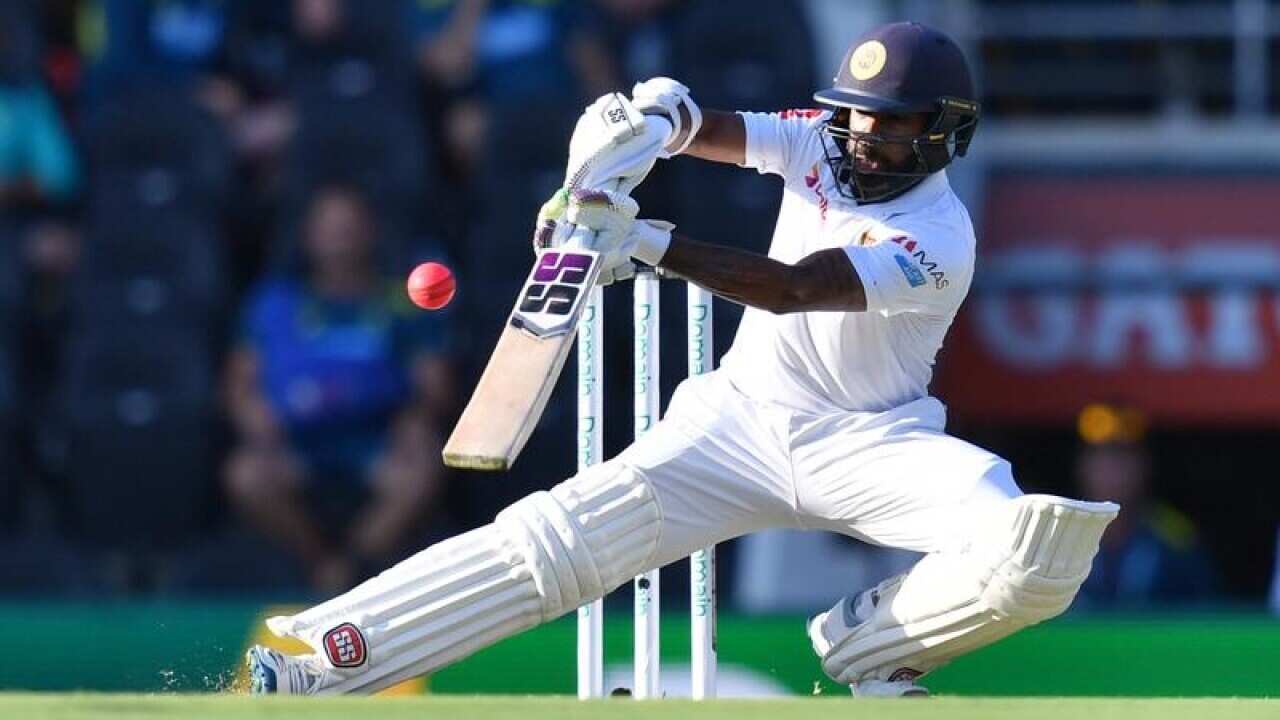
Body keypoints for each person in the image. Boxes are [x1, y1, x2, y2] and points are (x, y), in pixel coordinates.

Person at [246, 22, 1119, 698]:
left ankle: (869, 647)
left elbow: (791, 287)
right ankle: (321, 654)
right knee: (553, 544)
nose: (860, 141)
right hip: (734, 425)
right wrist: (651, 124)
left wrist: (649, 242)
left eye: (889, 130)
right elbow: (715, 128)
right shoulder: (822, 141)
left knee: (1032, 547)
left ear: (940, 137)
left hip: (871, 443)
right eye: (853, 119)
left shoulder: (939, 238)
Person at [223, 184, 454, 593]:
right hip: (297, 442)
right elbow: (239, 381)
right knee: (245, 476)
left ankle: (353, 566)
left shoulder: (401, 301)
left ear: (370, 232)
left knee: (419, 472)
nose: (339, 238)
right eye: (329, 228)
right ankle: (319, 564)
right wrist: (252, 415)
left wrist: (416, 419)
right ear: (309, 235)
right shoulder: (275, 302)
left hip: (375, 440)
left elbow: (434, 383)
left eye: (349, 227)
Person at [1072, 404, 1217, 608]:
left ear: (1144, 465)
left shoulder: (1177, 541)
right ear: (1082, 465)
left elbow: (1205, 616)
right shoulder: (1054, 537)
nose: (1112, 471)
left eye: (1123, 457)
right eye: (1101, 457)